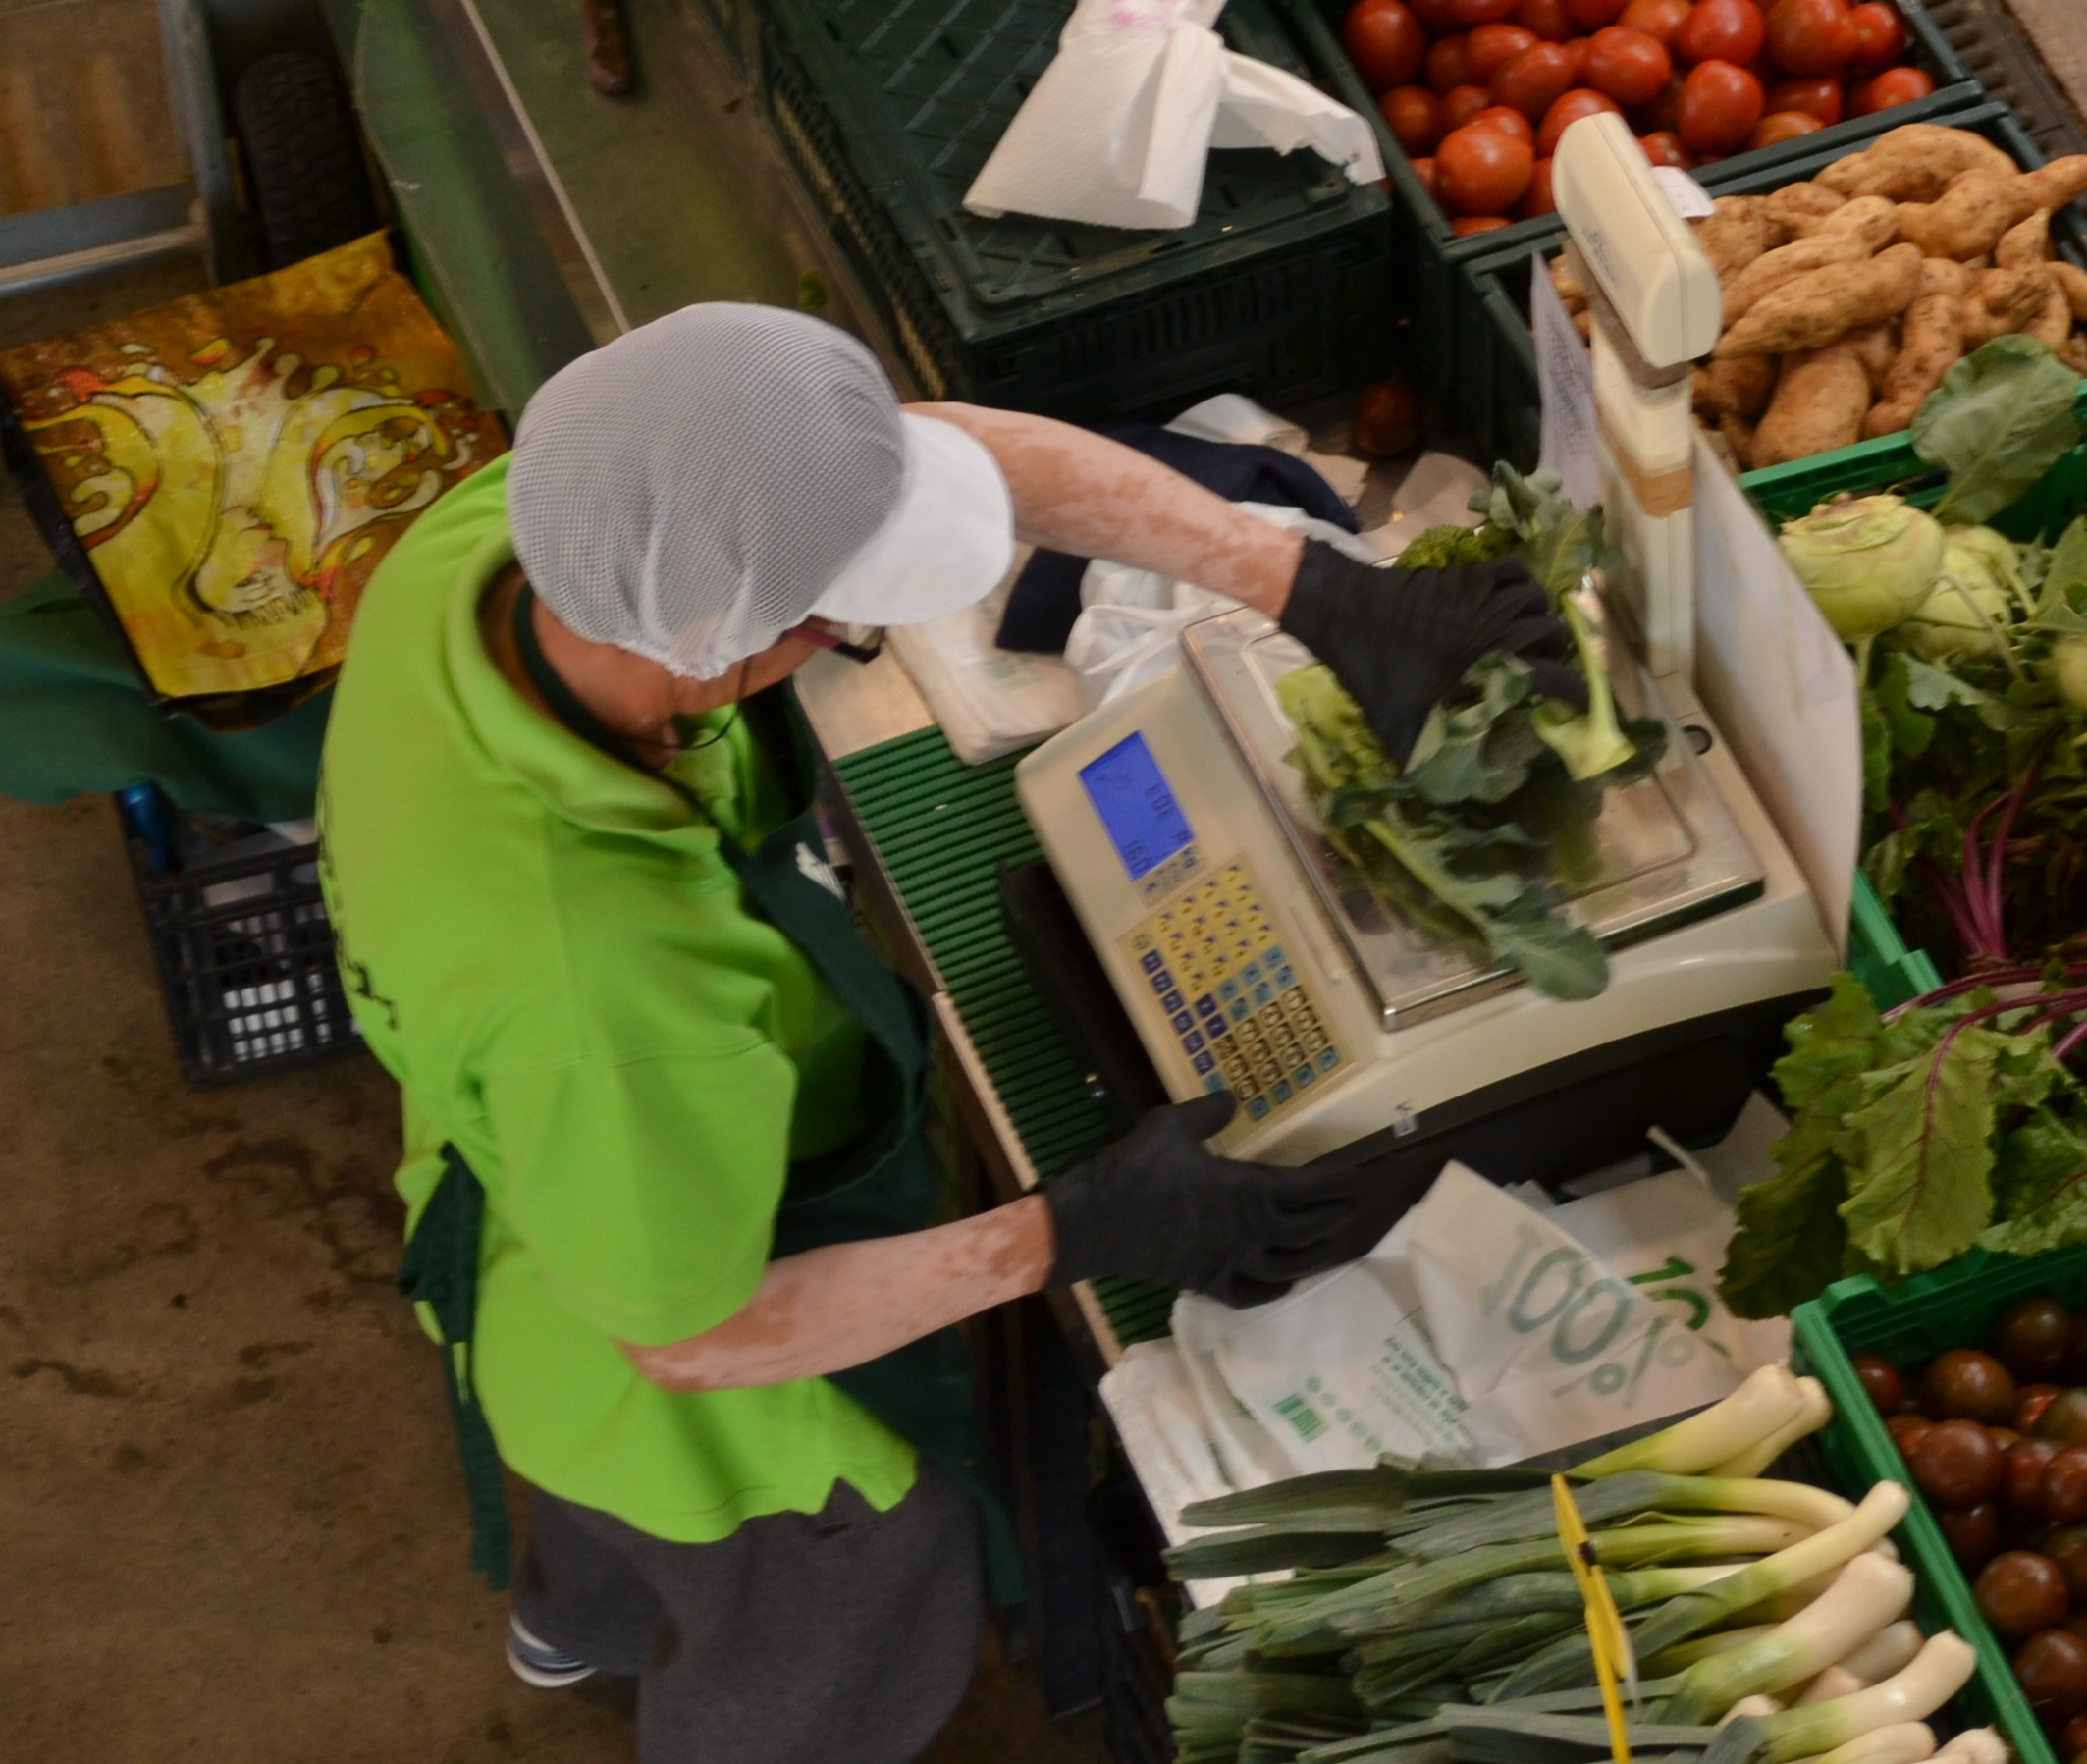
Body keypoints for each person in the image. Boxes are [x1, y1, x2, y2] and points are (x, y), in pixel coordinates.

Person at [317, 304, 1570, 1764]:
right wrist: (1075, 1226)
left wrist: (1313, 588)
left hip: (523, 1189)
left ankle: (574, 1626)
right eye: (844, 623)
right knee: (856, 1578)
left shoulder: (529, 544)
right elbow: (694, 1336)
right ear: (724, 648)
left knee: (597, 1515)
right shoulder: (608, 977)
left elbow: (933, 458)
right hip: (667, 1369)